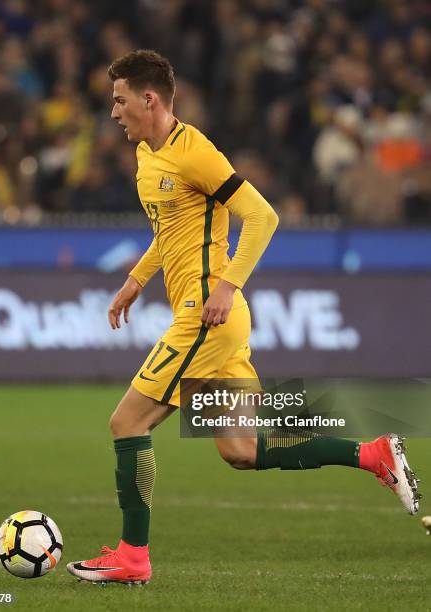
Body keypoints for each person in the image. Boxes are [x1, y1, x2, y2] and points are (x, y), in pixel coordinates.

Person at [67, 50, 420, 585]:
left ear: (149, 99)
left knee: (127, 422)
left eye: (118, 100)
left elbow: (262, 215)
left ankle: (132, 556)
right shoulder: (147, 156)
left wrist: (228, 286)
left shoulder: (195, 152)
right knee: (242, 449)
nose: (112, 112)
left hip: (207, 313)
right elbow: (171, 232)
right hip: (215, 317)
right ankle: (373, 453)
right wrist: (137, 279)